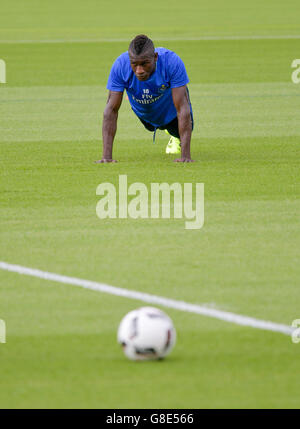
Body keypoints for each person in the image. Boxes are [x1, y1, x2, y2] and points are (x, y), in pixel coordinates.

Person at [95, 34, 194, 163]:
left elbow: (182, 107)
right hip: (144, 111)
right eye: (134, 64)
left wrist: (185, 157)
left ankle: (175, 137)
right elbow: (111, 110)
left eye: (144, 64)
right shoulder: (120, 65)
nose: (139, 70)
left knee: (184, 128)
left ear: (155, 57)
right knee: (150, 125)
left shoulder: (172, 62)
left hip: (170, 110)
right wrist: (106, 158)